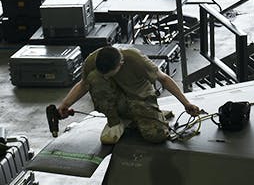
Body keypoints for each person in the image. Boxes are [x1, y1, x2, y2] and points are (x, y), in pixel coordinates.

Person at [54, 45, 203, 144]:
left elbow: (163, 79)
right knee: (94, 78)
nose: (106, 77)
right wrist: (65, 104)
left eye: (110, 74)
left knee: (156, 136)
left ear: (121, 64)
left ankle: (142, 116)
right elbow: (83, 85)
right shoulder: (92, 61)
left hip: (140, 98)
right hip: (116, 100)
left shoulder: (134, 58)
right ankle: (115, 122)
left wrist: (186, 103)